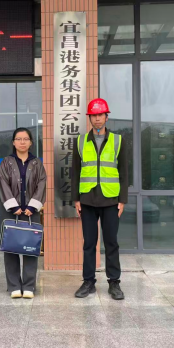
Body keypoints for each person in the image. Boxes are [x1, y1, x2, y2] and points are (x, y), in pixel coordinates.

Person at [72, 98, 129, 300]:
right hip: (87, 200)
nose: (97, 119)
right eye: (94, 115)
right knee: (89, 243)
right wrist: (76, 199)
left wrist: (122, 200)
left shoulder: (118, 140)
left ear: (106, 117)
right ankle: (88, 282)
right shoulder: (80, 141)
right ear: (89, 118)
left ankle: (114, 283)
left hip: (111, 199)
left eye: (100, 115)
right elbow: (75, 171)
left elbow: (124, 171)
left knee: (111, 242)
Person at [0, 128, 47, 299]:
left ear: (31, 142)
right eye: (18, 139)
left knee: (31, 248)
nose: (22, 142)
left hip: (31, 212)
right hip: (11, 212)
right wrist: (13, 206)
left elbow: (42, 184)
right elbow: (2, 184)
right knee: (11, 248)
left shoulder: (37, 163)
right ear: (13, 142)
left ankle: (28, 286)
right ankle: (13, 286)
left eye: (26, 139)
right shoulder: (6, 162)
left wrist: (33, 206)